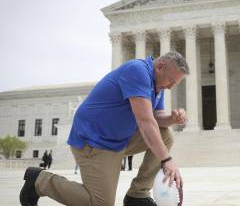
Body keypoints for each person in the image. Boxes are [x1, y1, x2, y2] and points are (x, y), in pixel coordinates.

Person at [20, 51, 189, 206]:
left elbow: (157, 118)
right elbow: (145, 121)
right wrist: (167, 160)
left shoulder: (158, 85)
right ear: (160, 67)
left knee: (166, 135)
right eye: (171, 80)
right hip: (93, 141)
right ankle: (40, 180)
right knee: (100, 203)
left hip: (118, 140)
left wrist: (172, 119)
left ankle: (138, 196)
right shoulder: (137, 71)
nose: (171, 86)